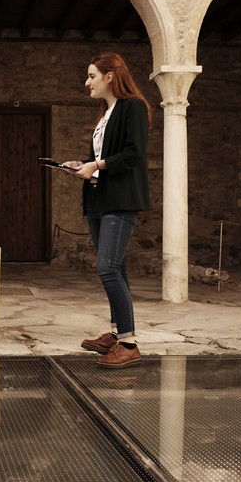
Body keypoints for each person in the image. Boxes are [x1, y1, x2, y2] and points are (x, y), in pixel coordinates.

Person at [65, 52, 151, 368]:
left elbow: (134, 153)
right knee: (117, 268)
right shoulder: (106, 113)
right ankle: (117, 333)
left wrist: (96, 165)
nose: (87, 82)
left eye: (92, 76)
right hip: (97, 198)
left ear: (110, 76)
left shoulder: (133, 107)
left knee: (108, 267)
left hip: (120, 199)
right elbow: (101, 157)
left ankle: (128, 344)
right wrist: (82, 165)